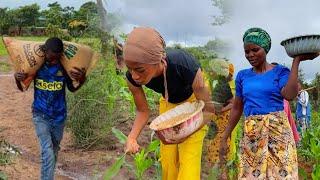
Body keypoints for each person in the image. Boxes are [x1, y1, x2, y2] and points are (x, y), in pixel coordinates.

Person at [219, 27, 319, 179]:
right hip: (253, 134)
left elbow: (290, 95)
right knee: (252, 175)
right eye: (247, 51)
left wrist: (296, 61)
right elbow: (237, 108)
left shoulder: (280, 71)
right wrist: (225, 134)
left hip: (278, 132)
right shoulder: (242, 76)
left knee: (282, 174)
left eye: (255, 50)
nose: (250, 55)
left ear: (265, 49)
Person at [123, 27, 215, 180]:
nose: (135, 76)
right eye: (130, 69)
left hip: (196, 104)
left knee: (189, 162)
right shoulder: (132, 77)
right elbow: (142, 111)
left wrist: (186, 134)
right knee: (168, 162)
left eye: (139, 69)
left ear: (157, 60)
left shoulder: (185, 66)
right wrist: (132, 138)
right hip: (169, 102)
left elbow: (209, 111)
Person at [14, 37, 86, 180]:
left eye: (56, 58)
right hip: (40, 115)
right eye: (50, 57)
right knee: (47, 152)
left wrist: (82, 79)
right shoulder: (37, 66)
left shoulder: (64, 69)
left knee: (53, 151)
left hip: (59, 117)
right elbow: (22, 88)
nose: (53, 61)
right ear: (44, 52)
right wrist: (17, 78)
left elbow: (72, 88)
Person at [206, 61, 239, 165]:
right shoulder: (217, 83)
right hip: (218, 118)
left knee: (226, 139)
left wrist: (221, 110)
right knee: (215, 138)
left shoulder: (230, 85)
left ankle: (225, 161)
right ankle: (216, 162)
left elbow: (233, 102)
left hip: (225, 117)